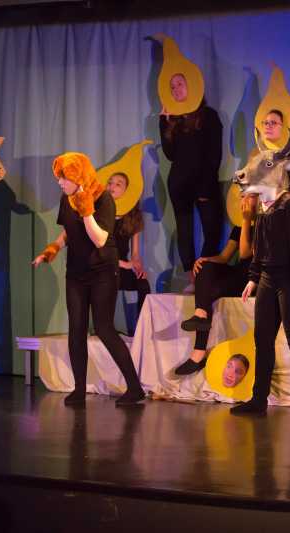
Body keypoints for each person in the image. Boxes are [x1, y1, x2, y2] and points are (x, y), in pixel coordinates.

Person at [32, 152, 145, 407]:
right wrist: (50, 251)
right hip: (76, 272)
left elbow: (100, 239)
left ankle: (135, 388)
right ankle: (79, 389)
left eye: (64, 178)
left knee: (104, 328)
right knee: (76, 329)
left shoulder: (104, 199)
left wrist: (85, 207)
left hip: (103, 271)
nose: (60, 183)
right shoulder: (66, 198)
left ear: (78, 176)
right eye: (59, 177)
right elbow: (67, 233)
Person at [232, 159, 290, 421]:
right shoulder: (263, 206)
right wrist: (253, 277)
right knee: (263, 340)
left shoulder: (289, 204)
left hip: (289, 280)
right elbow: (260, 245)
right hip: (268, 280)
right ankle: (259, 399)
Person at [174, 193, 257, 375]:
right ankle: (200, 316)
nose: (243, 200)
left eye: (249, 196)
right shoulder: (239, 225)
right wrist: (205, 260)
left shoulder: (264, 223)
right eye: (242, 196)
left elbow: (245, 253)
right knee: (204, 268)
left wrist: (246, 220)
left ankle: (198, 354)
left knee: (208, 292)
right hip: (238, 274)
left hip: (254, 280)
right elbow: (225, 256)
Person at [159, 73, 224, 293]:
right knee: (184, 231)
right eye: (172, 86)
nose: (176, 89)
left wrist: (206, 186)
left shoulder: (208, 116)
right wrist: (163, 122)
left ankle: (203, 276)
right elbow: (170, 154)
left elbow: (214, 154)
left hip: (204, 182)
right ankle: (192, 279)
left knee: (212, 230)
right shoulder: (174, 120)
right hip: (180, 184)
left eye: (180, 84)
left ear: (193, 86)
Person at [106, 172, 151, 335]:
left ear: (127, 191)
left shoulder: (132, 216)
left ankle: (141, 329)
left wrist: (137, 266)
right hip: (103, 266)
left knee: (142, 284)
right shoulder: (101, 214)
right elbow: (99, 251)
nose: (112, 186)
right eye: (110, 182)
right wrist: (125, 265)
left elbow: (135, 253)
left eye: (118, 184)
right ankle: (106, 329)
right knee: (109, 281)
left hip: (122, 267)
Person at [260, 109, 290, 207]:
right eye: (266, 123)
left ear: (286, 128)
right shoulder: (262, 157)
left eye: (273, 123)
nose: (268, 126)